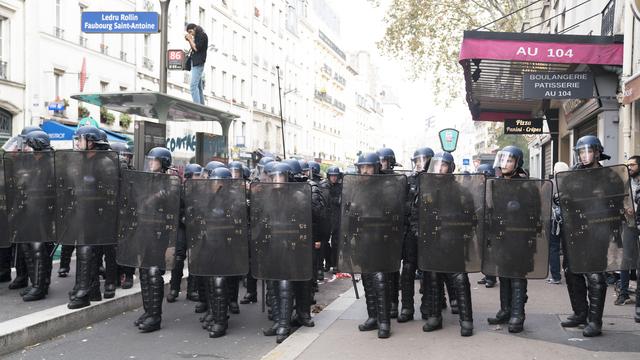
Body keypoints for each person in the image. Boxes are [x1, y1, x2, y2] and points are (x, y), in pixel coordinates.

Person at [420, 152, 474, 336]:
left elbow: (471, 217)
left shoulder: (461, 191)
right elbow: (419, 215)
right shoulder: (427, 190)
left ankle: (466, 320)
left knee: (459, 279)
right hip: (434, 242)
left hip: (454, 242)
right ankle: (435, 317)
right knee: (433, 278)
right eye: (437, 165)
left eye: (443, 165)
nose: (439, 168)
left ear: (451, 168)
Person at [486, 145, 533, 333]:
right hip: (500, 237)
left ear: (517, 163)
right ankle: (505, 310)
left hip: (519, 238)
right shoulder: (495, 183)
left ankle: (517, 314)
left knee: (516, 276)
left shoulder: (526, 185)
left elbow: (535, 212)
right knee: (503, 274)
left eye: (510, 160)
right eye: (503, 159)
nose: (505, 164)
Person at [355, 152, 393, 339]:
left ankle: (384, 321)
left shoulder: (386, 186)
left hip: (380, 237)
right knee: (367, 279)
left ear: (376, 167)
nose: (364, 171)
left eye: (368, 167)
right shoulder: (357, 188)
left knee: (379, 280)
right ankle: (373, 316)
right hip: (364, 238)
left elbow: (392, 211)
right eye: (362, 167)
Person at [398, 147, 433, 323]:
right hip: (410, 231)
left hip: (430, 232)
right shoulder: (408, 180)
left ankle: (427, 306)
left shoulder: (436, 180)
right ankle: (406, 307)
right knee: (408, 270)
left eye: (423, 160)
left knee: (427, 270)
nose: (420, 163)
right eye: (417, 160)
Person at [616, 155, 640, 305]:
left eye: (632, 165)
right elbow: (618, 199)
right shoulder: (625, 183)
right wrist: (625, 208)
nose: (629, 167)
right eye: (628, 165)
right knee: (625, 260)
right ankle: (623, 293)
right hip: (630, 225)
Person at [475, 163, 497, 288]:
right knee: (482, 250)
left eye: (481, 175)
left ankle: (491, 277)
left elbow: (491, 205)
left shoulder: (494, 186)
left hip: (490, 223)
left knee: (490, 251)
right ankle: (487, 274)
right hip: (481, 222)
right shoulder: (479, 186)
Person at [548, 162, 569, 285]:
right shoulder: (571, 184)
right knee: (568, 248)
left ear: (555, 171)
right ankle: (569, 272)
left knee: (553, 248)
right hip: (569, 220)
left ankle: (556, 276)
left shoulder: (550, 184)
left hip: (553, 220)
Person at [185, 23, 208, 105]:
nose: (190, 34)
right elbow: (194, 49)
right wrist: (190, 40)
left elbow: (196, 48)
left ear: (195, 28)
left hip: (198, 63)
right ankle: (202, 106)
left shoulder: (202, 35)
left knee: (193, 86)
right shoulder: (197, 36)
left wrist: (190, 40)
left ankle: (197, 106)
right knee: (199, 87)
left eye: (191, 31)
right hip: (195, 63)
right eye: (189, 32)